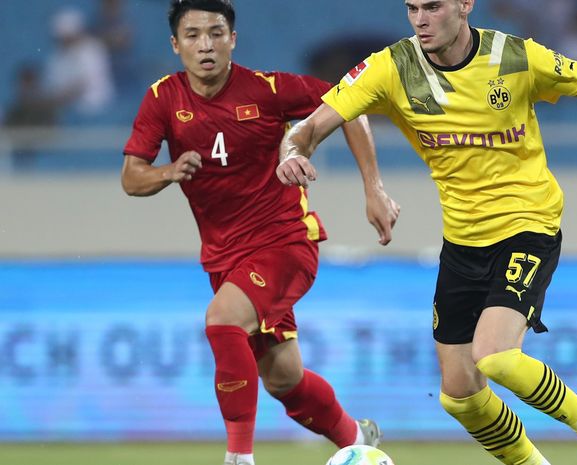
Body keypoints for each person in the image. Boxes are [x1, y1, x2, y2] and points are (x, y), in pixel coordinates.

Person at [277, 1, 577, 465]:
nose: (420, 18)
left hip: (528, 224)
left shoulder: (516, 58)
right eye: (412, 7)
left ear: (464, 5)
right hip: (462, 239)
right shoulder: (390, 67)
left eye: (433, 7)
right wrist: (291, 154)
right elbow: (310, 128)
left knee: (495, 356)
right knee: (458, 396)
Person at [120, 2, 399, 465]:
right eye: (192, 35)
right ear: (175, 44)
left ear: (234, 39)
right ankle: (357, 436)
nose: (205, 44)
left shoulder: (268, 89)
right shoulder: (162, 99)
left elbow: (351, 101)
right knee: (283, 379)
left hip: (285, 242)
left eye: (216, 32)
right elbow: (132, 177)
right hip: (225, 258)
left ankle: (238, 458)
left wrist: (374, 188)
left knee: (222, 320)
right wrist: (168, 172)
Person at [45, 7, 115, 116]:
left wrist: (58, 98)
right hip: (71, 113)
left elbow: (82, 85)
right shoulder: (56, 57)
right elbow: (52, 86)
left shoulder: (93, 49)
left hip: (97, 109)